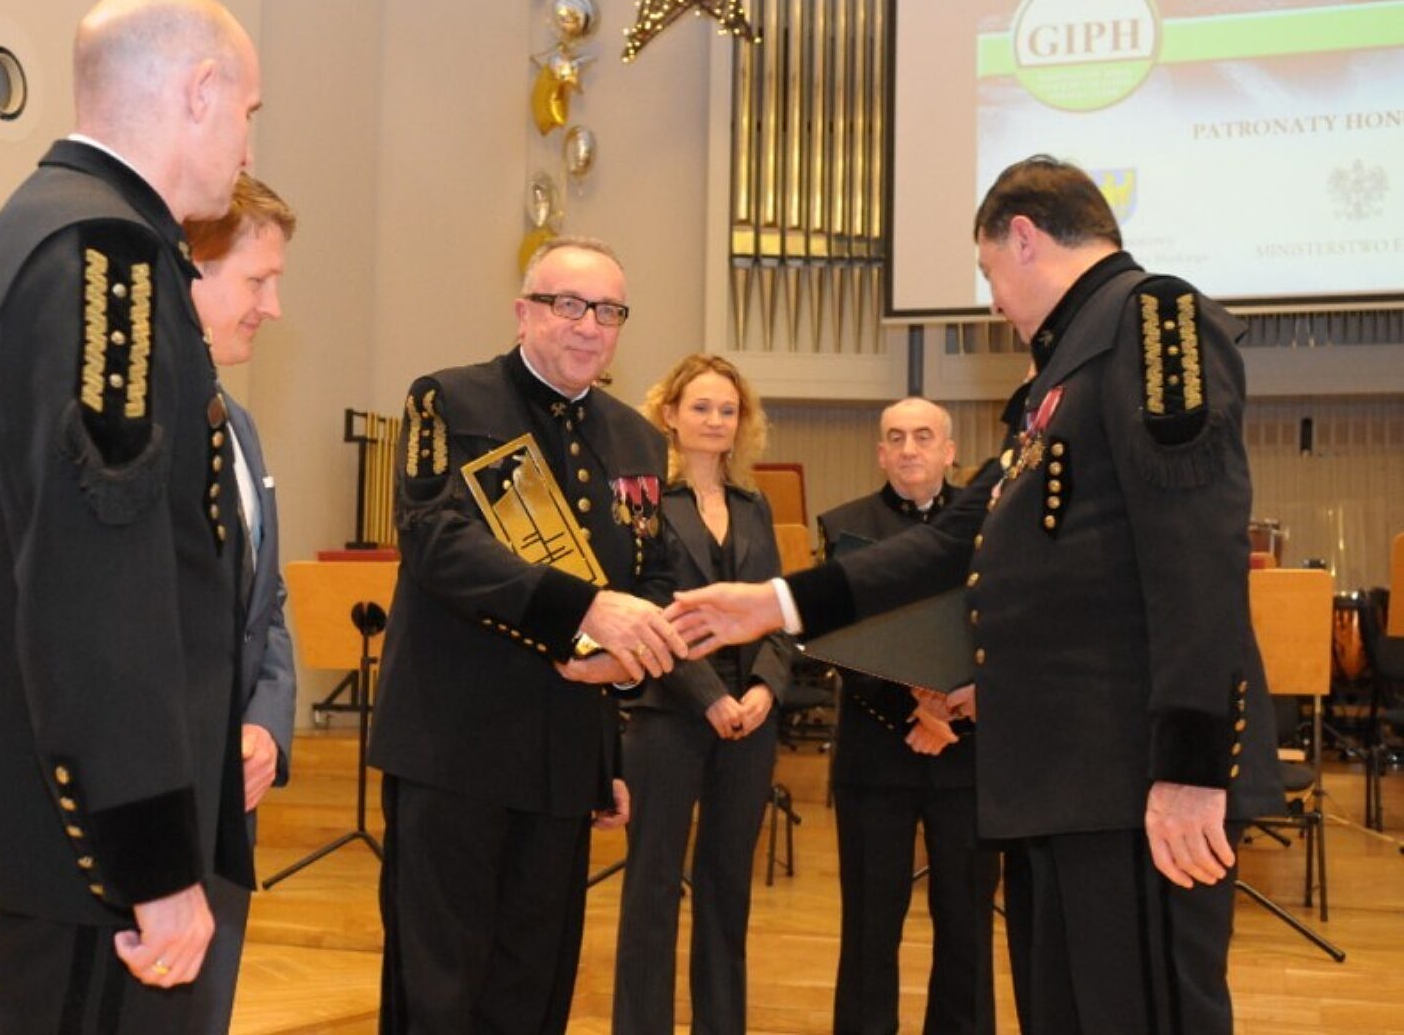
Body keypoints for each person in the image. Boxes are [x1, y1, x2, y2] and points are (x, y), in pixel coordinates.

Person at [667, 155, 1283, 1035]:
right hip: (1067, 780)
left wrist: (1189, 766)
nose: (992, 301)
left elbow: (1198, 553)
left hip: (1132, 778)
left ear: (1023, 237)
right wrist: (777, 603)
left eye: (988, 270)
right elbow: (953, 541)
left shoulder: (1152, 322)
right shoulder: (1058, 380)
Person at [0, 0, 263, 1032]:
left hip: (68, 813)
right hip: (96, 845)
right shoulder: (107, 259)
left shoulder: (58, 232)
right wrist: (151, 859)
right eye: (248, 109)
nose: (247, 140)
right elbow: (97, 584)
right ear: (199, 90)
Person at [367, 236, 689, 1034]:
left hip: (562, 755)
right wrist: (584, 609)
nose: (589, 326)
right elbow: (435, 539)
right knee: (439, 984)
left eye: (608, 311)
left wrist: (623, 675)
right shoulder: (449, 401)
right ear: (523, 312)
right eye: (568, 304)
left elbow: (654, 577)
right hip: (452, 744)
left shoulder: (638, 439)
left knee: (534, 982)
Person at [612, 354, 792, 1034]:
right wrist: (710, 695)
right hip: (669, 713)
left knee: (727, 889)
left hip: (750, 720)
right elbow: (645, 609)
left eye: (728, 410)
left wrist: (766, 690)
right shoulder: (644, 500)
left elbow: (776, 612)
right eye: (701, 407)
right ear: (670, 415)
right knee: (652, 887)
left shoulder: (755, 505)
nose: (716, 420)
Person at [817, 397, 998, 1035]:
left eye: (924, 436)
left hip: (969, 754)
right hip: (875, 755)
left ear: (950, 451)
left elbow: (1003, 626)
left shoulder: (993, 525)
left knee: (967, 924)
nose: (909, 449)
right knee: (869, 927)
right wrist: (913, 714)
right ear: (880, 453)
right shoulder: (845, 526)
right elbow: (842, 639)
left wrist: (954, 717)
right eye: (896, 438)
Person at [181, 172, 299, 1033]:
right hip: (159, 792)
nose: (273, 308)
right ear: (191, 271)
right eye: (258, 281)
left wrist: (266, 725)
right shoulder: (142, 424)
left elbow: (268, 601)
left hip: (233, 793)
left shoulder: (240, 424)